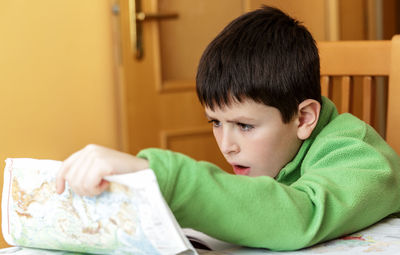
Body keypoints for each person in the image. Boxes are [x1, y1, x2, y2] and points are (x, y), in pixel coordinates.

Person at [56, 5, 400, 251]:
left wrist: (163, 176)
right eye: (216, 122)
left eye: (245, 126)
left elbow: (301, 215)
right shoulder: (274, 156)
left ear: (304, 118)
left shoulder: (363, 161)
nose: (226, 145)